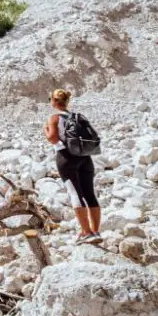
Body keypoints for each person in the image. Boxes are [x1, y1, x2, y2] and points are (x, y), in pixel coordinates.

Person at [42, 88, 102, 244]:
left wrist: (45, 129)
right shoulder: (76, 116)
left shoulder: (54, 117)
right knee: (89, 194)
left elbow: (53, 138)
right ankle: (95, 232)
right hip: (85, 157)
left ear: (54, 101)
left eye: (50, 99)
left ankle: (85, 232)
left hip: (66, 158)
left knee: (75, 193)